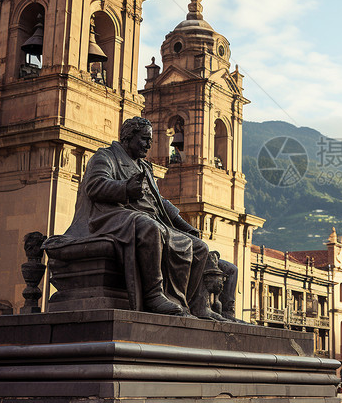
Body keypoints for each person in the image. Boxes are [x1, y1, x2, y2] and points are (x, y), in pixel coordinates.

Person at [44, 117, 221, 319]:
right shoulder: (106, 156)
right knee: (150, 228)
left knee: (199, 247)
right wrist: (125, 188)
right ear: (128, 137)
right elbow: (94, 186)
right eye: (144, 139)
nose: (148, 145)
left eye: (150, 141)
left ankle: (193, 304)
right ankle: (154, 295)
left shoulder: (144, 167)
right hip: (109, 216)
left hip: (146, 217)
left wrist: (182, 224)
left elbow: (158, 201)